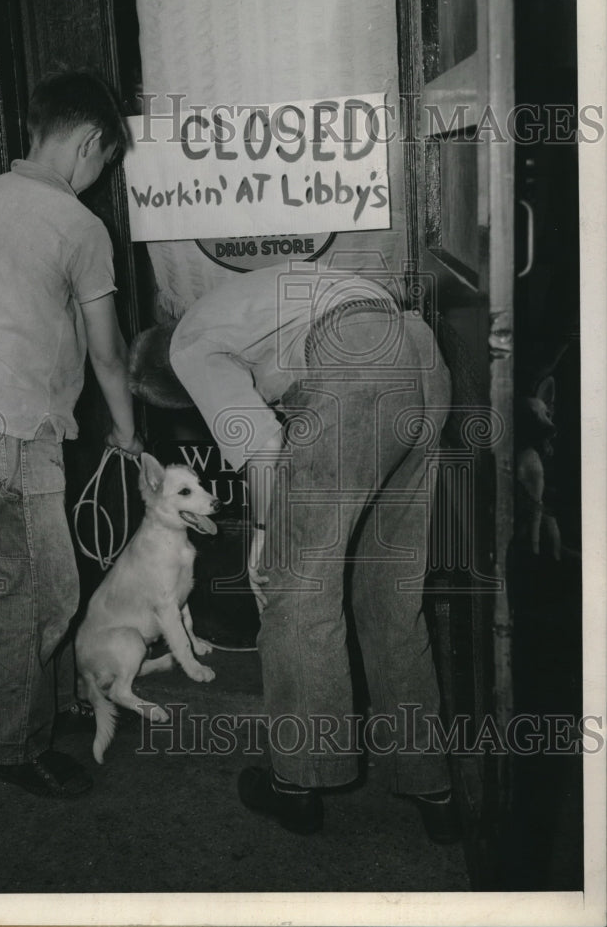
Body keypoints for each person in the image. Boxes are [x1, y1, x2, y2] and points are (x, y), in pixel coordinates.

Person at [167, 258, 460, 841]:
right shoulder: (257, 303)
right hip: (420, 355)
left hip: (356, 361)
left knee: (296, 592)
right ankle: (436, 791)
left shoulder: (187, 346)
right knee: (388, 596)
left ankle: (297, 786)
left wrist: (264, 538)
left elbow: (264, 443)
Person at [0, 70, 143, 799]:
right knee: (42, 592)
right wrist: (127, 433)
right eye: (105, 162)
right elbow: (108, 351)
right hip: (13, 424)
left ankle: (44, 713)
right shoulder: (80, 227)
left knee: (27, 578)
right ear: (91, 142)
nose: (98, 177)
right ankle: (13, 748)